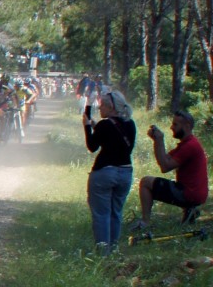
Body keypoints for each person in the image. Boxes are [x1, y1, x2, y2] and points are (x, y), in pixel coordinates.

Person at [134, 110, 209, 229]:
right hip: (195, 193)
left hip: (190, 194)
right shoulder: (187, 143)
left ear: (187, 126)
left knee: (145, 182)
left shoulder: (190, 146)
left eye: (175, 124)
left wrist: (159, 141)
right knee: (151, 182)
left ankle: (145, 221)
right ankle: (190, 211)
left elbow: (165, 167)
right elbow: (164, 159)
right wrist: (157, 141)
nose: (171, 127)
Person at [83, 89, 135, 254]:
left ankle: (102, 251)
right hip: (125, 172)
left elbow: (92, 146)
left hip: (104, 172)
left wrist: (87, 127)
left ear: (111, 107)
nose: (100, 108)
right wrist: (94, 125)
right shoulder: (130, 124)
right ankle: (113, 248)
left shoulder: (105, 125)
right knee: (116, 212)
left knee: (101, 214)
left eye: (102, 105)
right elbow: (120, 143)